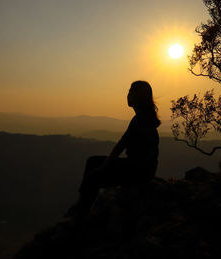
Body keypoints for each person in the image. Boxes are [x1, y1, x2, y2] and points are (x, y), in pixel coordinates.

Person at [64, 80, 161, 224]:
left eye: (131, 91)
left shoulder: (139, 119)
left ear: (139, 97)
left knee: (93, 176)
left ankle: (80, 214)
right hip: (143, 169)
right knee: (92, 161)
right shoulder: (144, 117)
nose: (128, 94)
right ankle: (81, 205)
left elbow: (120, 146)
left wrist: (104, 166)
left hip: (137, 170)